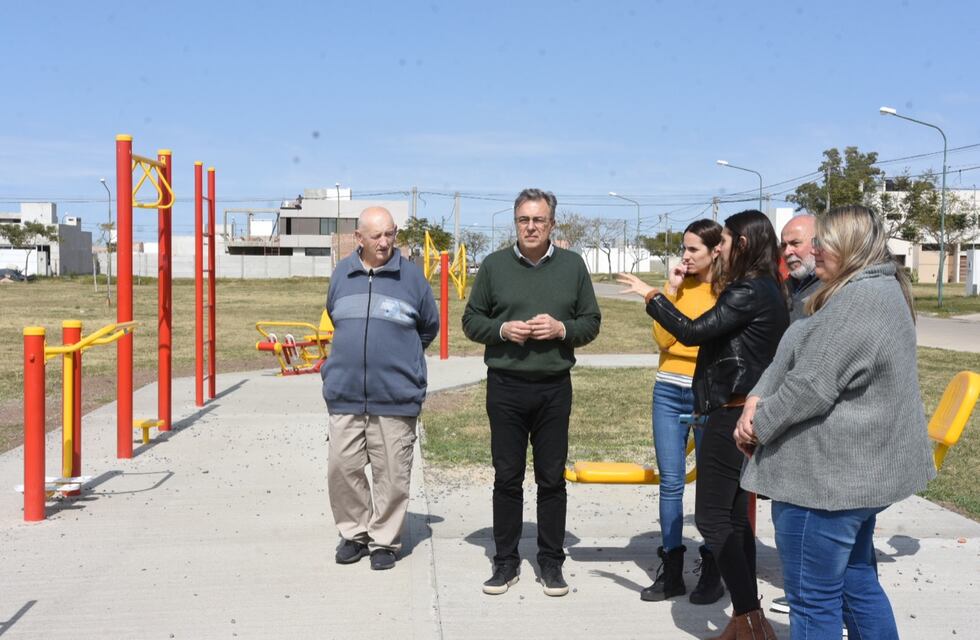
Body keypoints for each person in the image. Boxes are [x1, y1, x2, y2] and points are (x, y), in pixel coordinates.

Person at [736, 205, 936, 639]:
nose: (815, 248)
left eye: (823, 241)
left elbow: (810, 386)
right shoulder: (864, 290)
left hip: (825, 484)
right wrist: (757, 397)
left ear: (849, 247)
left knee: (813, 603)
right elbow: (796, 355)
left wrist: (756, 425)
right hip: (847, 480)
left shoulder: (859, 301)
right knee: (856, 583)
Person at [617, 210, 788, 639]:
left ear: (743, 244)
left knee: (712, 517)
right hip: (736, 407)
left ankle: (747, 616)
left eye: (726, 238)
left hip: (731, 412)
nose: (721, 244)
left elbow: (692, 333)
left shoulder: (749, 290)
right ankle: (750, 619)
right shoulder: (764, 287)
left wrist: (653, 296)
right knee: (731, 516)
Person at [462, 188, 601, 597]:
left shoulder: (573, 267)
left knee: (551, 478)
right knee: (506, 477)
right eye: (524, 219)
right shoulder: (493, 266)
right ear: (515, 223)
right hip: (505, 386)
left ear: (552, 224)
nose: (531, 226)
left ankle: (551, 562)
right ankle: (504, 563)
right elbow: (472, 321)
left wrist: (563, 330)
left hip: (554, 388)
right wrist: (503, 330)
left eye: (539, 220)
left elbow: (591, 322)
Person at [321, 206, 439, 571]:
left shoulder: (413, 279)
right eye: (376, 236)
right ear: (359, 238)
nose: (385, 242)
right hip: (345, 393)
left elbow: (428, 327)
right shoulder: (341, 274)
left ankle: (384, 541)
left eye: (390, 234)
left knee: (392, 473)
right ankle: (354, 534)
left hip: (395, 396)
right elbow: (335, 316)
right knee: (342, 469)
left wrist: (398, 358)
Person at [639, 219, 726, 606]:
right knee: (671, 481)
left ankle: (712, 568)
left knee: (711, 482)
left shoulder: (727, 291)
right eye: (684, 249)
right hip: (667, 390)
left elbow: (702, 336)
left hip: (705, 392)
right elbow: (664, 337)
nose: (685, 257)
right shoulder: (679, 286)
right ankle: (671, 568)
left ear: (714, 251)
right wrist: (670, 290)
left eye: (693, 250)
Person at [780, 213, 820, 322]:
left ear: (817, 243)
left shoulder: (831, 286)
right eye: (784, 245)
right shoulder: (784, 286)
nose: (787, 252)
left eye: (795, 243)